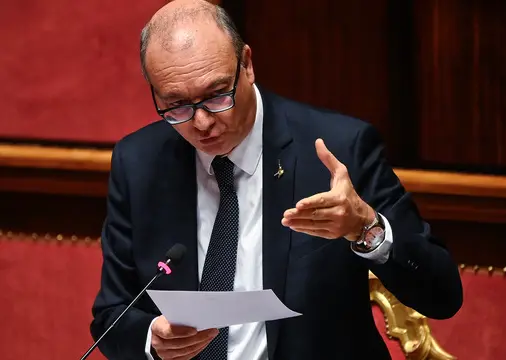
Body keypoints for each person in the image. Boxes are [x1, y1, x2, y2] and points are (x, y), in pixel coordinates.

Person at [89, 1, 463, 359]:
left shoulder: (340, 150)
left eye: (217, 95)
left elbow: (442, 294)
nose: (202, 122)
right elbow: (111, 316)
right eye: (176, 105)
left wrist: (366, 228)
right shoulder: (138, 163)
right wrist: (152, 339)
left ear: (247, 65)